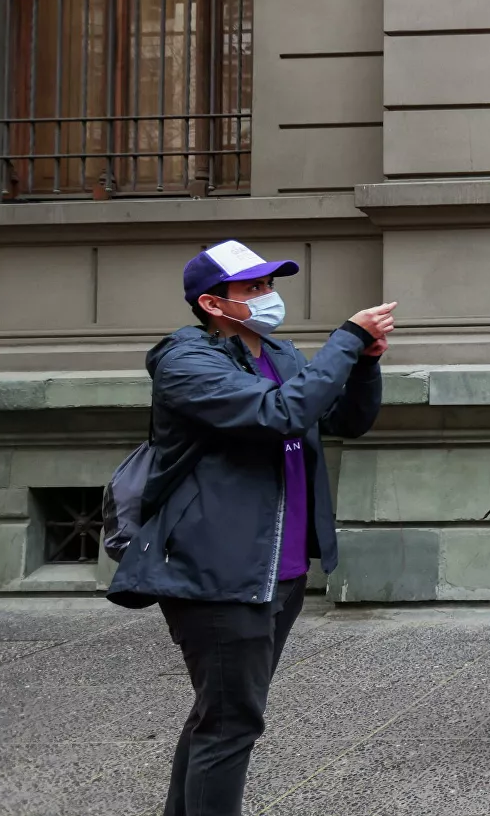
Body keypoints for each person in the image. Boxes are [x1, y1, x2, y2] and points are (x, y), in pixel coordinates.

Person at [107, 239, 393, 816]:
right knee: (232, 721)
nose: (269, 296)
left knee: (220, 713)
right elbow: (280, 414)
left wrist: (364, 364)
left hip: (278, 568)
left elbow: (345, 419)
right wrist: (346, 338)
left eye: (269, 285)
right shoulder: (185, 361)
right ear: (213, 304)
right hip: (216, 567)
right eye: (254, 288)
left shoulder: (277, 353)